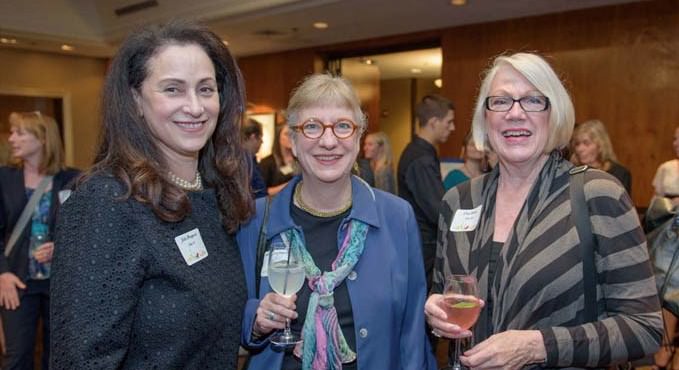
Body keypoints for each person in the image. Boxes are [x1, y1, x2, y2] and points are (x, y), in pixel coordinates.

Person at [425, 52, 662, 369]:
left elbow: (644, 327)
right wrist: (435, 312)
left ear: (555, 114)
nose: (515, 113)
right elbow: (444, 291)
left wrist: (539, 346)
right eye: (501, 101)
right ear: (485, 117)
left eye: (533, 101)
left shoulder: (597, 195)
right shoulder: (459, 200)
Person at [50, 20, 254, 369]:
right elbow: (82, 360)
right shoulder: (106, 201)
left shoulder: (213, 197)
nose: (195, 106)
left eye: (206, 89)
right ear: (135, 101)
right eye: (173, 90)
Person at [238, 73, 435, 370]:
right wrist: (254, 321)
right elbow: (228, 320)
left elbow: (412, 334)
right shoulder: (255, 220)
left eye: (343, 126)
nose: (328, 141)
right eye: (312, 127)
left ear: (358, 138)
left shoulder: (397, 217)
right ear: (292, 139)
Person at [0, 111, 79, 370]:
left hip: (61, 285)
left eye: (20, 132)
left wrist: (62, 246)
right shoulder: (4, 178)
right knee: (17, 357)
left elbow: (85, 231)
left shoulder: (74, 179)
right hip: (17, 281)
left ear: (43, 138)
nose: (12, 138)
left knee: (58, 357)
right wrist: (2, 274)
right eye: (12, 132)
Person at [397, 94, 455, 289]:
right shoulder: (421, 159)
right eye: (449, 122)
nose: (452, 128)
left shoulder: (419, 153)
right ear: (433, 122)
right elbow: (438, 210)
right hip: (425, 246)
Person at [650, 125, 679, 370]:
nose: (677, 143)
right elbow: (654, 205)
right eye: (675, 138)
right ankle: (664, 346)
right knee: (666, 284)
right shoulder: (666, 168)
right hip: (668, 236)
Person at [571, 119, 632, 194]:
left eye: (586, 143)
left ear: (600, 145)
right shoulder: (573, 172)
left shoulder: (620, 174)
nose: (579, 149)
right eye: (577, 144)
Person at [259, 124, 295, 195]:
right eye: (287, 134)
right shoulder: (267, 163)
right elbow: (263, 192)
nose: (291, 137)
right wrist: (289, 186)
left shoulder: (301, 160)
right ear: (278, 137)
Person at [243, 118, 268, 198]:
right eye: (260, 137)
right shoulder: (243, 162)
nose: (262, 141)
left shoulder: (250, 160)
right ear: (253, 137)